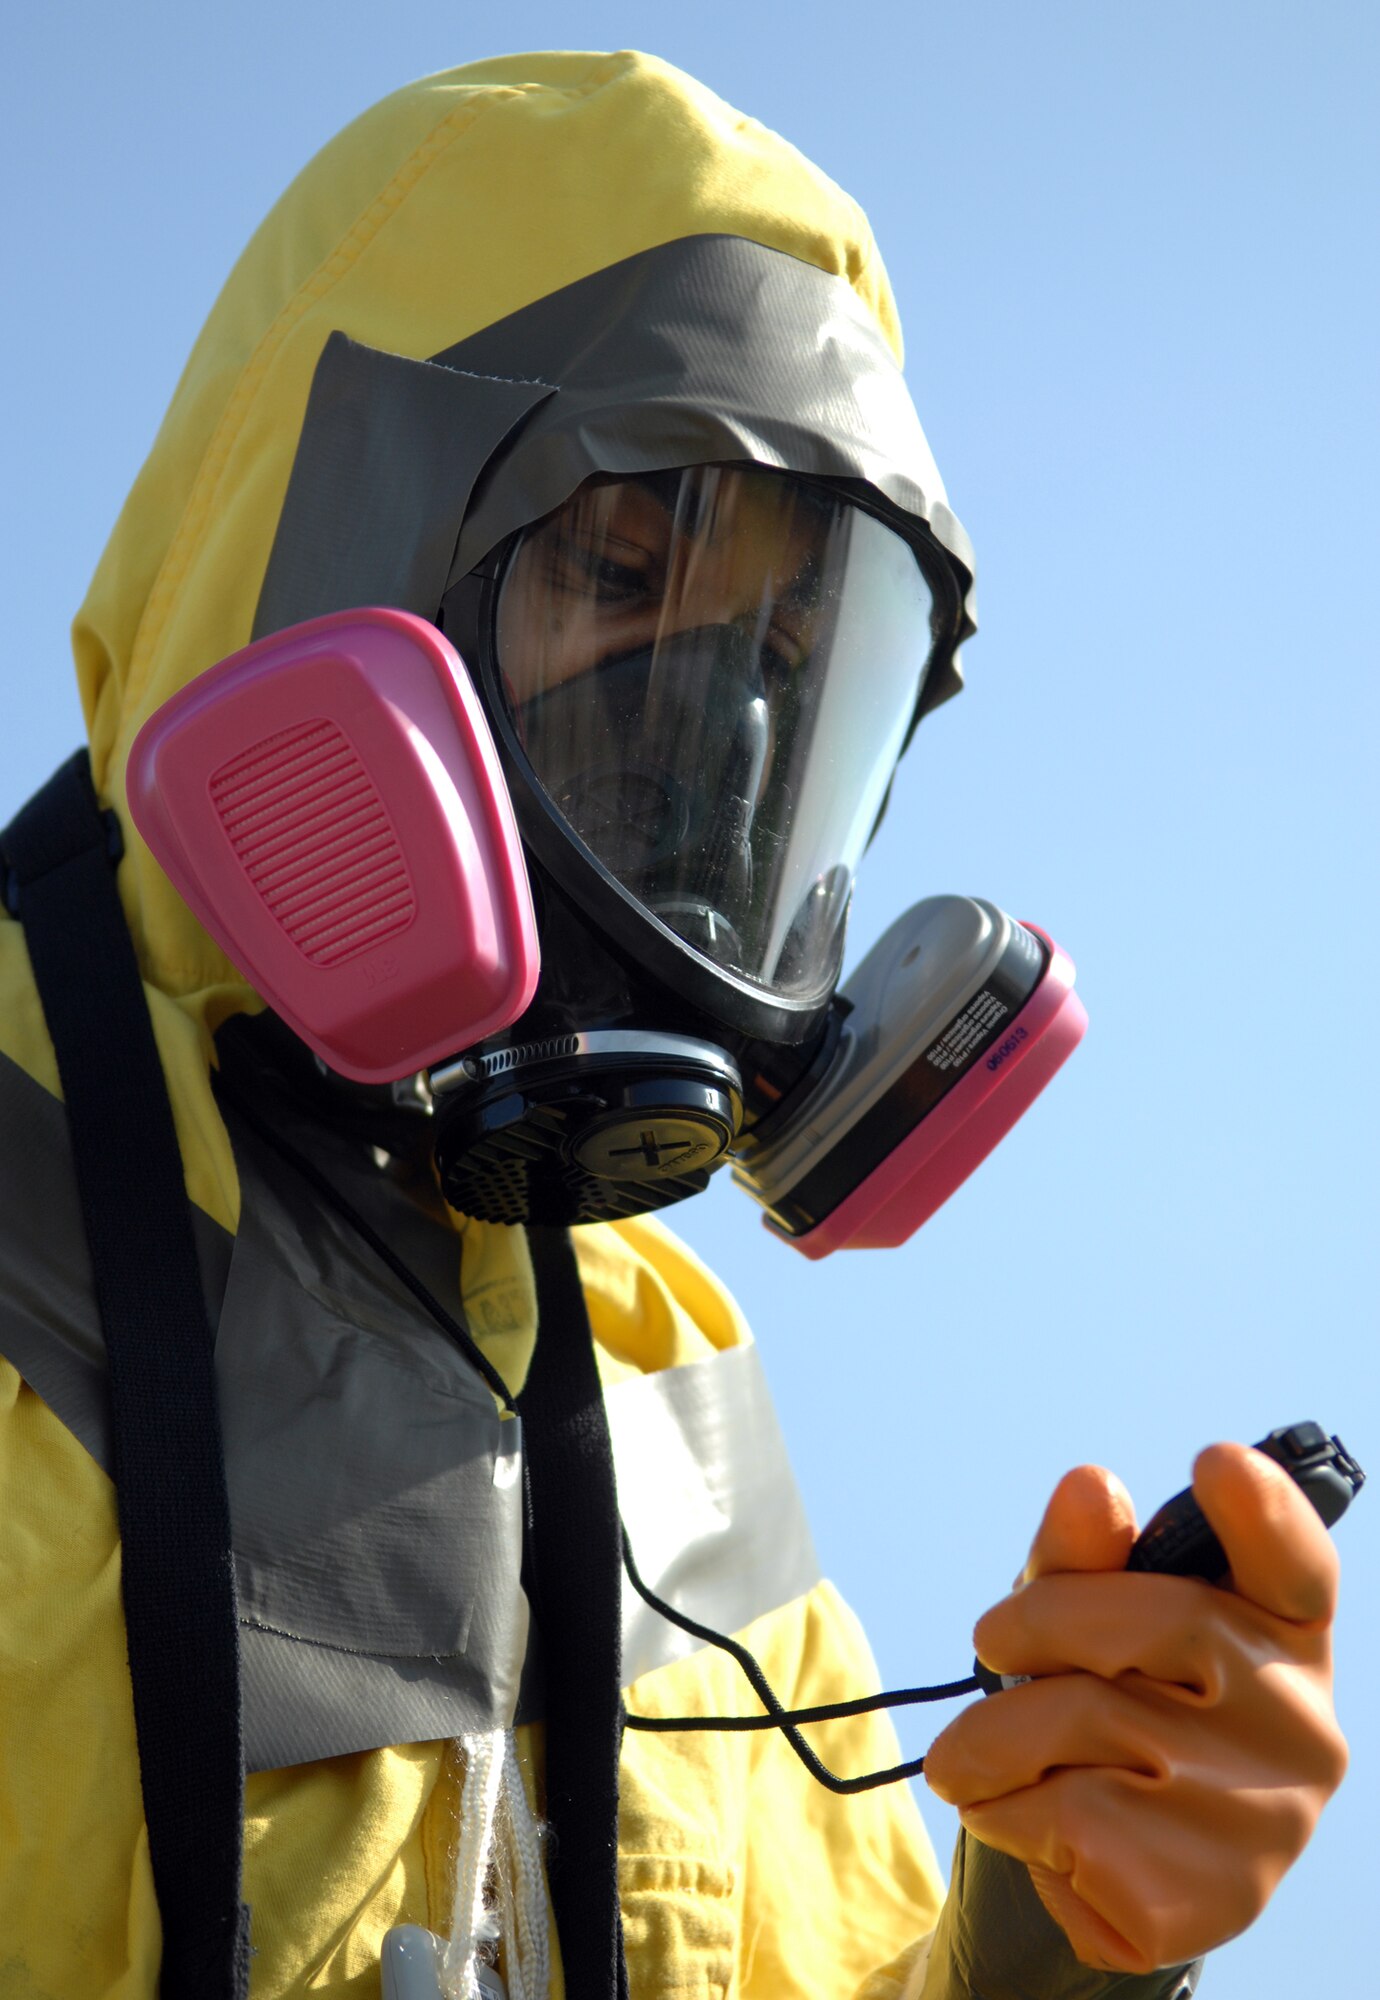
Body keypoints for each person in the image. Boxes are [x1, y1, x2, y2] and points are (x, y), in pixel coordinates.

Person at [0, 49, 1346, 2000]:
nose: (716, 743)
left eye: (787, 666)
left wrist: (1056, 1945)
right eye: (626, 572)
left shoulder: (665, 1383)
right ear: (317, 561)